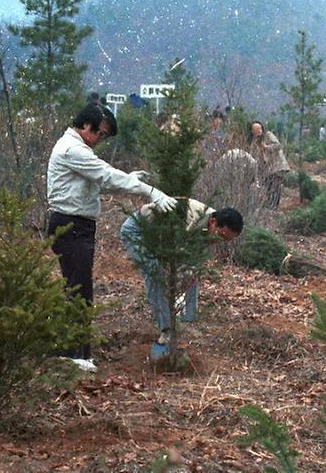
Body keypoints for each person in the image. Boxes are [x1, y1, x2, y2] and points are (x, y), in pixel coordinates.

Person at [47, 102, 178, 372]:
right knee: (78, 289)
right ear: (84, 125)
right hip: (70, 226)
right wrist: (150, 192)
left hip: (78, 225)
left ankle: (73, 350)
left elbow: (97, 177)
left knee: (77, 287)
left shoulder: (78, 148)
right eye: (100, 134)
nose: (101, 140)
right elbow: (105, 175)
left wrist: (130, 178)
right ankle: (74, 356)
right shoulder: (72, 149)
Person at [121, 201, 243, 346]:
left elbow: (193, 261)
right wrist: (176, 288)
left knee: (192, 272)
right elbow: (173, 258)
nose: (221, 241)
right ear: (213, 222)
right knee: (154, 272)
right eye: (222, 237)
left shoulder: (212, 223)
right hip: (138, 230)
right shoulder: (190, 220)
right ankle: (166, 329)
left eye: (227, 240)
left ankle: (188, 320)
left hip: (160, 237)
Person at [250, 120, 290, 209]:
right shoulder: (255, 142)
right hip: (267, 169)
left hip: (277, 165)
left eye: (259, 128)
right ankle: (270, 205)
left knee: (275, 186)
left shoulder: (268, 135)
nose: (258, 131)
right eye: (256, 129)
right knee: (268, 186)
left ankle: (274, 206)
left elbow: (278, 145)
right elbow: (253, 155)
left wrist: (267, 147)